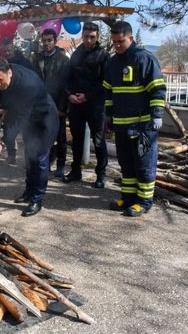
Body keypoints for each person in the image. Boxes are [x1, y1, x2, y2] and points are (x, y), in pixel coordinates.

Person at [104, 21, 166, 217]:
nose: (117, 45)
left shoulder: (144, 59)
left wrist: (157, 114)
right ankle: (128, 198)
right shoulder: (113, 63)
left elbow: (157, 88)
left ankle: (144, 202)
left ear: (130, 38)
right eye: (114, 42)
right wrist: (108, 116)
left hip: (143, 125)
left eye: (121, 41)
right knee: (126, 164)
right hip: (122, 124)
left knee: (144, 164)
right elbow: (108, 91)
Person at [0, 57, 58, 217]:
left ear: (9, 73)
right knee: (29, 156)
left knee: (39, 159)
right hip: (30, 121)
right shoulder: (6, 72)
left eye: (0, 80)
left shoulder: (28, 84)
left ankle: (36, 199)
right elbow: (12, 98)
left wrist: (2, 144)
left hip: (45, 120)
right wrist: (5, 108)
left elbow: (20, 119)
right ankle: (28, 191)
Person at [62, 22, 110, 188]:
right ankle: (76, 171)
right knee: (76, 140)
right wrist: (69, 95)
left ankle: (101, 175)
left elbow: (105, 82)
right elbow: (67, 78)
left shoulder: (103, 55)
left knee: (98, 141)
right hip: (76, 105)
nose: (89, 40)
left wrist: (87, 96)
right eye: (86, 36)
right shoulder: (76, 54)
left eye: (92, 37)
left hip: (95, 105)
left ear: (97, 37)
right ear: (81, 36)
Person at [32, 28, 70, 178]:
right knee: (43, 135)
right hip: (41, 104)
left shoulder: (63, 59)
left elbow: (66, 85)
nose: (46, 43)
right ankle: (46, 163)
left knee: (60, 136)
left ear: (55, 41)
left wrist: (62, 107)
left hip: (57, 103)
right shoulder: (36, 58)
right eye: (44, 40)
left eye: (49, 40)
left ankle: (60, 165)